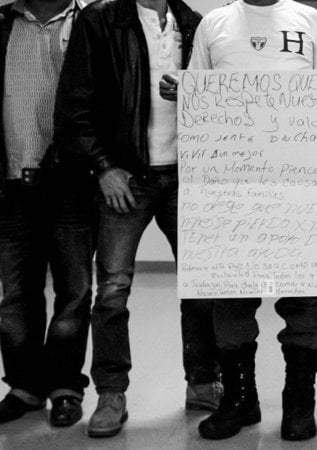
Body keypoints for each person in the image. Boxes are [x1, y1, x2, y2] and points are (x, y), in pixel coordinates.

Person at [160, 0, 317, 440]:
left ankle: (299, 403)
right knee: (232, 299)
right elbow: (199, 94)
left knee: (302, 302)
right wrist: (181, 91)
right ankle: (241, 401)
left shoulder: (309, 19)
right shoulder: (214, 25)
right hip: (231, 189)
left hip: (300, 188)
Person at [51, 0, 216, 437]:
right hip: (126, 177)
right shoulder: (101, 20)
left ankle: (202, 382)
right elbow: (75, 104)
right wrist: (104, 166)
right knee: (112, 291)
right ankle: (111, 393)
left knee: (200, 287)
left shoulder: (193, 24)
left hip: (185, 175)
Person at [0, 0, 96, 428]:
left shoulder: (90, 21)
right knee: (17, 295)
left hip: (71, 182)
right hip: (9, 184)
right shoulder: (3, 24)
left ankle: (64, 389)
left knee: (73, 293)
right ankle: (24, 387)